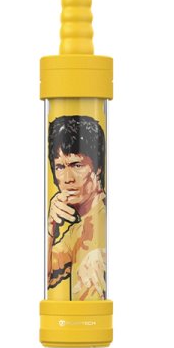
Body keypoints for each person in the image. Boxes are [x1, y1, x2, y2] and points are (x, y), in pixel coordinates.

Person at [47, 115, 107, 301]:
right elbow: (45, 275)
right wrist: (50, 229)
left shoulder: (104, 217)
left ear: (97, 167)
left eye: (77, 165)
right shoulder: (77, 230)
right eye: (60, 167)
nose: (67, 179)